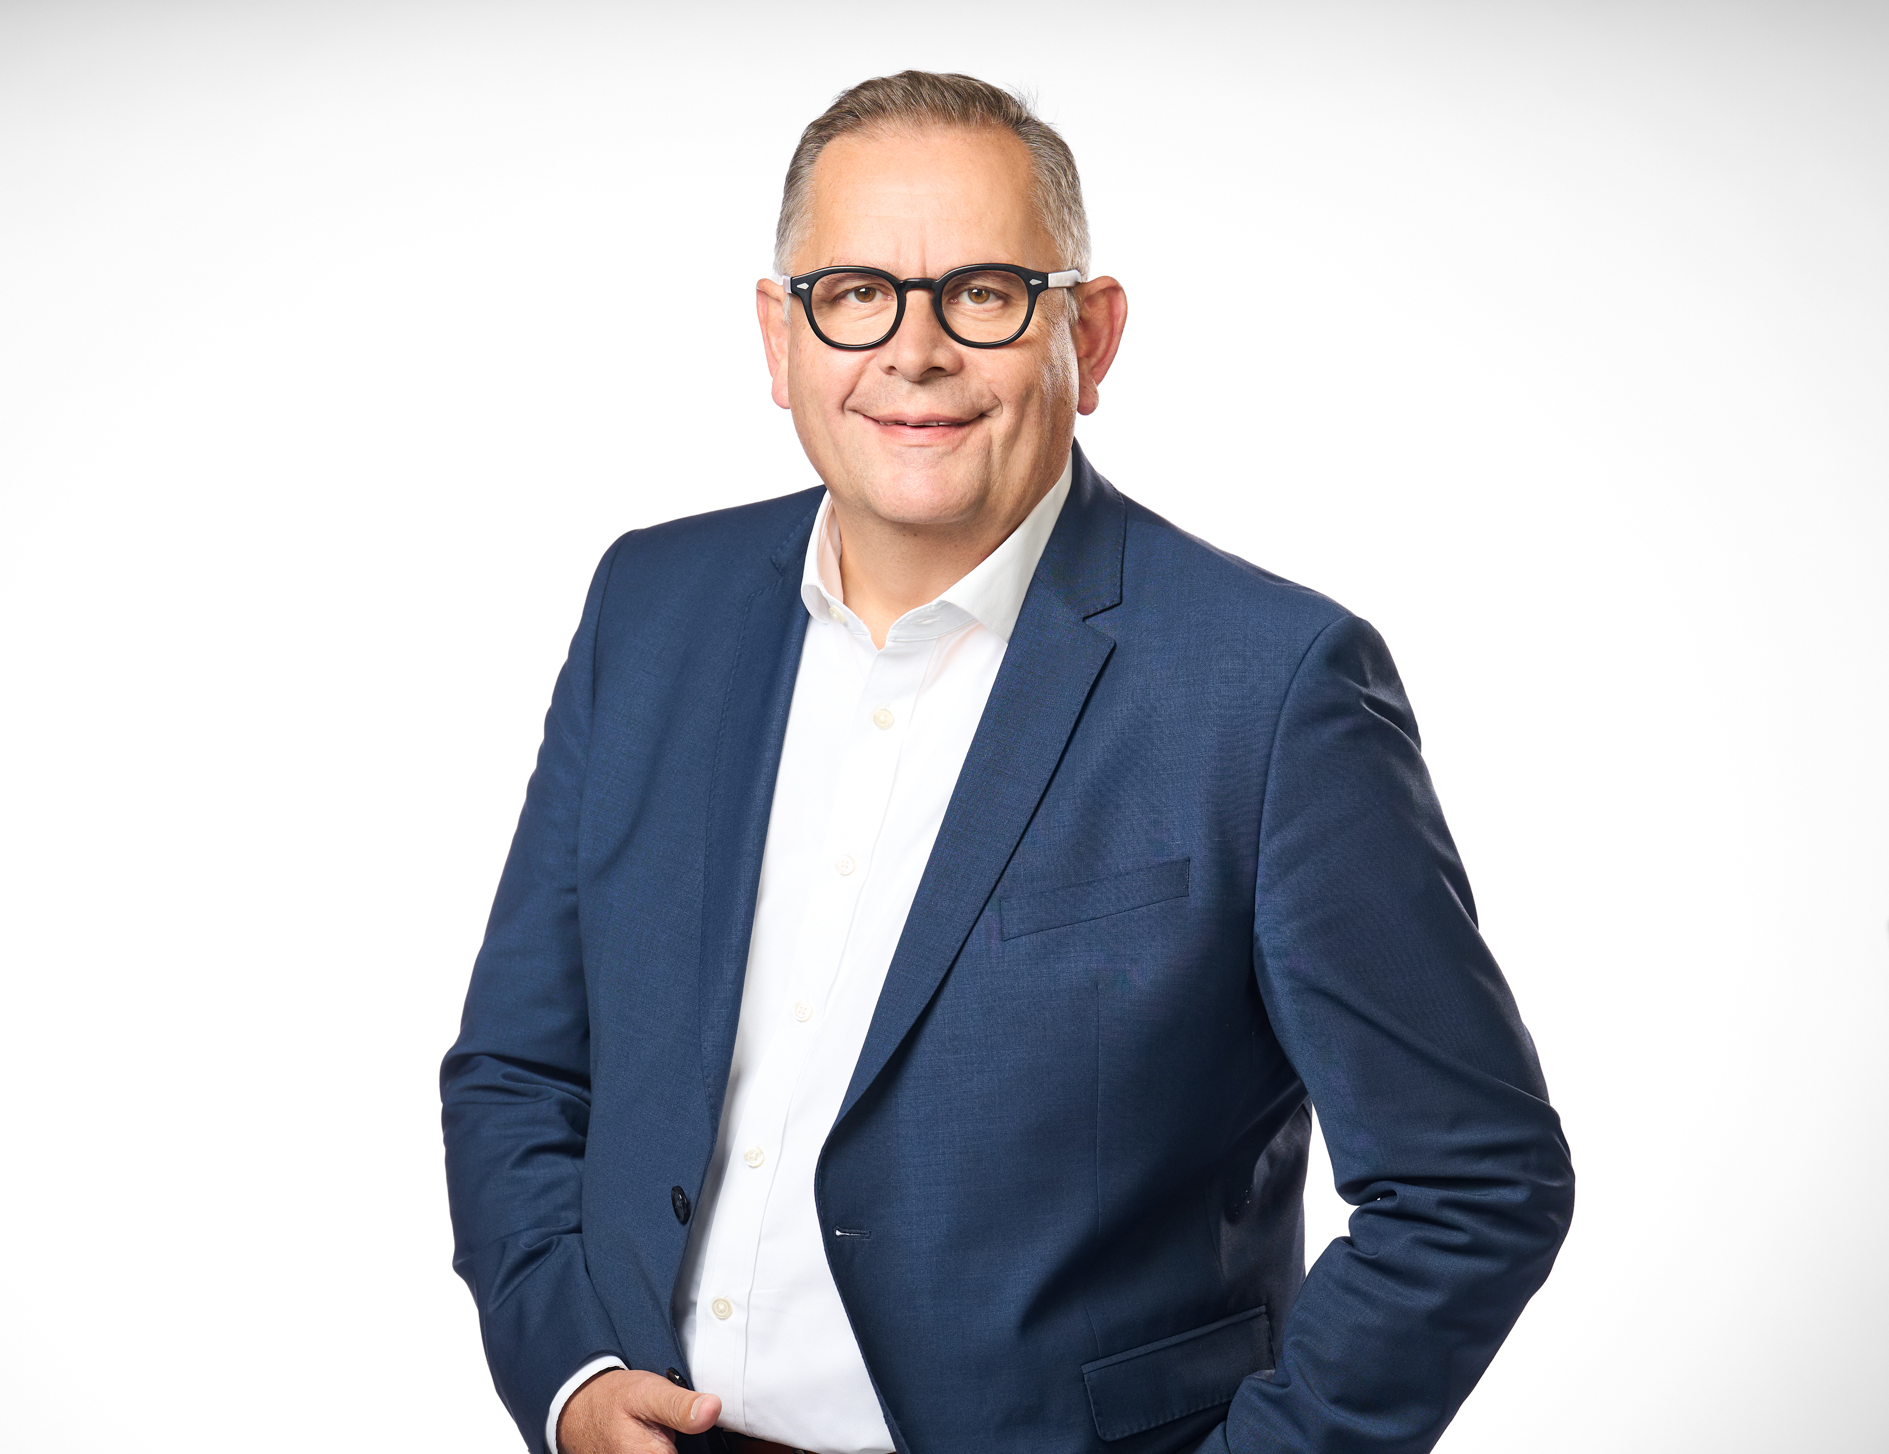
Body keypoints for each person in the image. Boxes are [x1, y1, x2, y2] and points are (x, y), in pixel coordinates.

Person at [442, 70, 1573, 1454]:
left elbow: (1473, 1184)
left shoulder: (1272, 690)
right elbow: (518, 1068)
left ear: (1088, 337)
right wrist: (566, 1377)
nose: (913, 350)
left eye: (983, 293)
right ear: (779, 338)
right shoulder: (650, 607)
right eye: (855, 293)